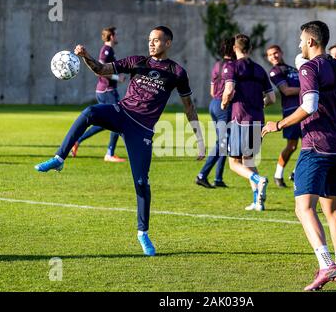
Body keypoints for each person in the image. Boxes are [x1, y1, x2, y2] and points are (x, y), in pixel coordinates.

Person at [35, 26, 205, 256]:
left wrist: (200, 139)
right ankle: (59, 157)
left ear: (168, 43)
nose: (151, 43)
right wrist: (86, 57)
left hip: (142, 129)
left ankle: (142, 233)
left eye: (156, 40)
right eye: (149, 40)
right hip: (121, 113)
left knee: (142, 183)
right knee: (89, 113)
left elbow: (189, 107)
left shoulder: (177, 72)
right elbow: (102, 70)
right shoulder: (137, 61)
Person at [262, 21, 336, 290]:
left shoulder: (309, 67)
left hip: (315, 146)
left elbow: (309, 105)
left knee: (303, 208)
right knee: (332, 210)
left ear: (310, 41)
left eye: (301, 40)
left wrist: (279, 124)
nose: (299, 45)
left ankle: (325, 263)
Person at [222, 34, 276, 211]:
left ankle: (258, 180)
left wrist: (223, 103)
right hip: (258, 120)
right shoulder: (260, 69)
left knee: (234, 163)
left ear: (234, 48)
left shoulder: (232, 66)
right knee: (249, 161)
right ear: (250, 48)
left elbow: (229, 89)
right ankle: (258, 202)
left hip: (240, 119)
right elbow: (272, 98)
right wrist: (261, 104)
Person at [71, 26, 127, 162]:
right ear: (112, 36)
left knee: (105, 122)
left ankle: (77, 140)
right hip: (107, 91)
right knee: (118, 119)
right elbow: (99, 70)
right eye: (117, 34)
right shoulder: (106, 50)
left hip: (105, 91)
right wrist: (117, 78)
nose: (118, 37)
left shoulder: (109, 50)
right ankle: (109, 154)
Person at [196, 37, 236, 188]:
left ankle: (218, 178)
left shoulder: (217, 65)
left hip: (214, 104)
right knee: (223, 142)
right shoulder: (234, 66)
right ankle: (202, 175)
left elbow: (212, 91)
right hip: (224, 106)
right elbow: (231, 90)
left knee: (223, 142)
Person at [266, 45, 301, 187]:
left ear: (281, 53)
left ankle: (296, 173)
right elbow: (286, 91)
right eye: (270, 55)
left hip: (305, 110)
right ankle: (278, 175)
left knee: (310, 146)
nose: (274, 56)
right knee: (292, 146)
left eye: (275, 53)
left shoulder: (293, 69)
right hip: (291, 111)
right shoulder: (275, 72)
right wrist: (309, 89)